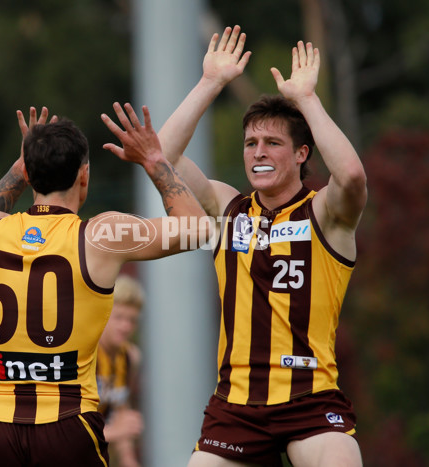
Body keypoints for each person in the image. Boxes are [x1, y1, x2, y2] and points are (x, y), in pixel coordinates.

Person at [157, 26, 367, 466]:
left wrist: (307, 100)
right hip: (236, 406)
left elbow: (350, 176)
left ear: (301, 154)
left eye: (273, 143)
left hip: (309, 399)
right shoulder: (225, 206)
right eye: (251, 143)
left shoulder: (326, 213)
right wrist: (210, 83)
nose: (259, 153)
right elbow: (162, 155)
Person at [0, 103, 209, 467]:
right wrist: (154, 159)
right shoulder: (100, 236)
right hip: (67, 424)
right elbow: (198, 230)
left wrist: (19, 168)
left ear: (29, 174)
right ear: (83, 176)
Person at [96, 274, 145, 467]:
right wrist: (115, 432)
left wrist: (129, 459)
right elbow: (65, 431)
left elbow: (120, 411)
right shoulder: (86, 355)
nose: (126, 326)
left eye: (132, 320)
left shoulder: (130, 357)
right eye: (119, 318)